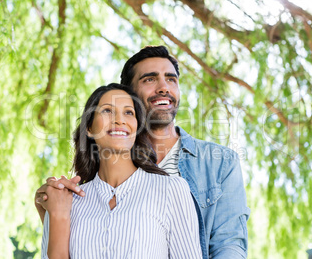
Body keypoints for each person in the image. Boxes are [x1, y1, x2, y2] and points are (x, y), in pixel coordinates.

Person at [35, 46, 250, 259]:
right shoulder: (85, 191)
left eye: (171, 79)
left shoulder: (217, 164)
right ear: (129, 92)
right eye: (149, 79)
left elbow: (229, 245)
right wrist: (52, 213)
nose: (163, 87)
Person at [38, 83, 202, 258]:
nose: (120, 120)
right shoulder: (63, 202)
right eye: (107, 110)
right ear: (89, 128)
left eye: (129, 112)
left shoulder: (171, 190)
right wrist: (58, 216)